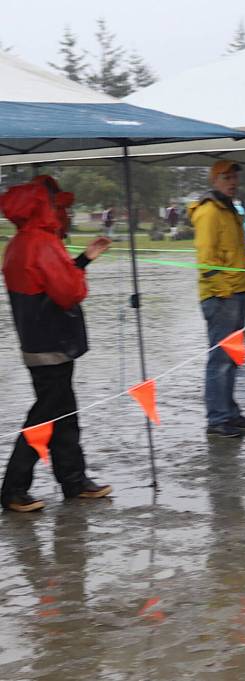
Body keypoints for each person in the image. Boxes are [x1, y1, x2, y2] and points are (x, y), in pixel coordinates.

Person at [1, 180, 113, 512]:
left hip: (37, 343)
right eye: (56, 205)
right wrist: (78, 272)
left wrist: (83, 258)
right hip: (52, 345)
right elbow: (69, 293)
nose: (61, 212)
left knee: (64, 415)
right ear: (43, 207)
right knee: (47, 417)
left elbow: (48, 284)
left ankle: (74, 481)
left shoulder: (21, 243)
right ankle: (13, 488)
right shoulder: (42, 242)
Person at [190, 160, 245, 438]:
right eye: (226, 177)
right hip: (222, 296)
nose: (232, 182)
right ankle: (218, 418)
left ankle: (229, 411)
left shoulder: (229, 208)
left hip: (237, 291)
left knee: (232, 356)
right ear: (215, 180)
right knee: (220, 358)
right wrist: (225, 291)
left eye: (234, 177)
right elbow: (207, 260)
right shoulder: (209, 211)